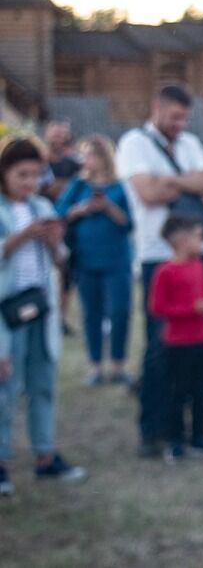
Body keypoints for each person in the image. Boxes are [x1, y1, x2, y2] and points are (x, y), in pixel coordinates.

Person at [116, 84, 203, 459]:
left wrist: (168, 181)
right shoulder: (134, 143)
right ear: (156, 108)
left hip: (197, 253)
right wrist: (186, 182)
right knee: (160, 346)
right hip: (157, 254)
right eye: (174, 116)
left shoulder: (189, 142)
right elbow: (147, 194)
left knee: (198, 343)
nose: (180, 124)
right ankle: (154, 430)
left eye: (184, 118)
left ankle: (191, 429)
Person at [0, 136, 87, 496]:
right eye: (21, 175)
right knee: (5, 388)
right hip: (7, 312)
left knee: (42, 382)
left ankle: (45, 454)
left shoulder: (41, 205)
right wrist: (22, 236)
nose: (29, 182)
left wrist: (53, 241)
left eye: (35, 175)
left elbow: (60, 259)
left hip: (40, 307)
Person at [56, 135, 133, 386]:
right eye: (84, 155)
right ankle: (96, 366)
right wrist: (82, 209)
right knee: (91, 313)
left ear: (103, 157)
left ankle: (118, 364)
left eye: (90, 155)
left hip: (116, 259)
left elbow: (129, 223)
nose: (86, 160)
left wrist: (108, 208)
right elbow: (59, 214)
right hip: (85, 258)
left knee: (119, 311)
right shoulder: (78, 186)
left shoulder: (120, 187)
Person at [148, 214, 203, 463]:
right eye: (198, 237)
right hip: (177, 342)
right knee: (176, 393)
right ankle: (175, 440)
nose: (202, 242)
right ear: (181, 240)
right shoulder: (165, 271)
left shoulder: (198, 265)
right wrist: (192, 309)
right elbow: (157, 308)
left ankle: (199, 436)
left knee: (200, 390)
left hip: (201, 338)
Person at [40, 119, 82, 336]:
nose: (58, 137)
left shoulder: (74, 163)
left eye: (62, 133)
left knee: (65, 274)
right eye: (55, 132)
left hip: (66, 225)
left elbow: (78, 188)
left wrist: (56, 187)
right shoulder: (39, 161)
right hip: (40, 224)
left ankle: (60, 318)